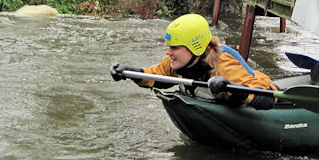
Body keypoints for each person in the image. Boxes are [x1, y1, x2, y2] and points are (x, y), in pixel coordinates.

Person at [110, 14, 277, 109]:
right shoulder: (177, 61)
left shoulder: (223, 64)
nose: (169, 52)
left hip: (260, 85)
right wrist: (130, 73)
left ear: (195, 47)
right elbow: (156, 76)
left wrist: (234, 89)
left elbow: (266, 96)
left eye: (175, 48)